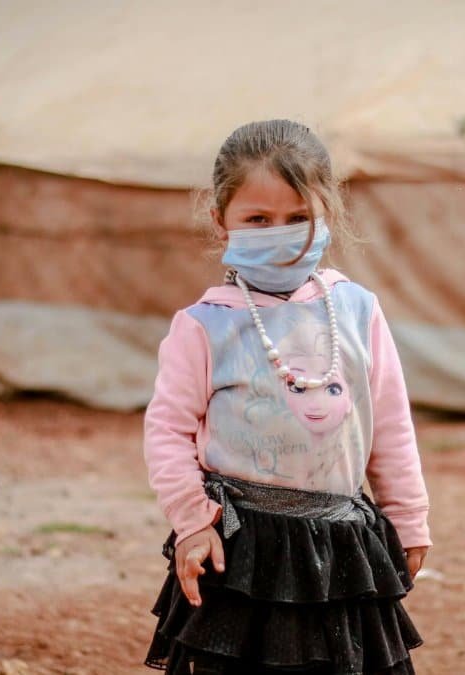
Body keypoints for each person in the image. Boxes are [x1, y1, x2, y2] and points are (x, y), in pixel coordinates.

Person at [143, 119, 432, 674]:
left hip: (343, 547)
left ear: (328, 214)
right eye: (258, 220)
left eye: (299, 219)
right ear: (220, 220)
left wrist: (409, 516)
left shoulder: (358, 310)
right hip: (241, 552)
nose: (280, 232)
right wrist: (193, 522)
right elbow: (168, 431)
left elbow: (390, 423)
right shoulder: (204, 327)